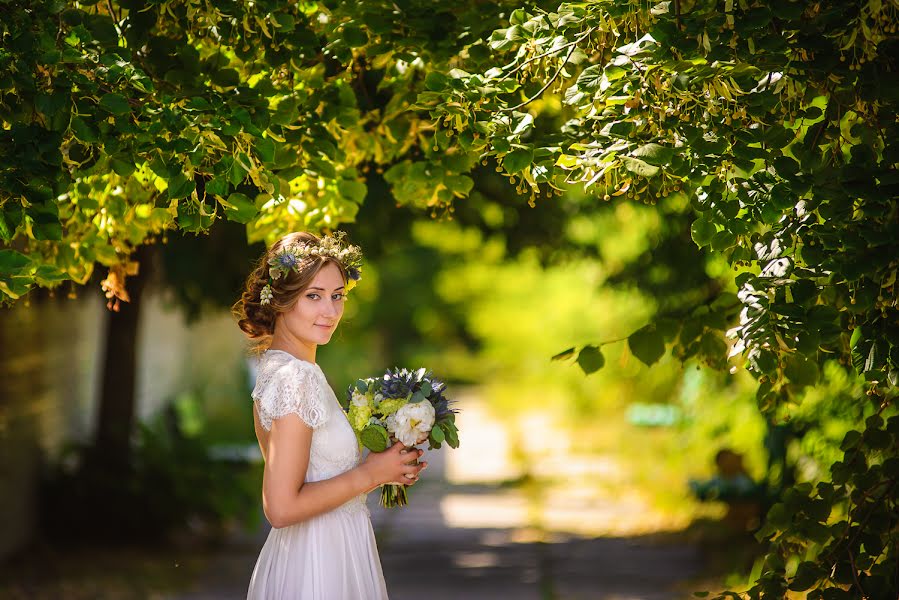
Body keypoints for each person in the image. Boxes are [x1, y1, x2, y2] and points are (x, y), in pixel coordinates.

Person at [232, 231, 426, 599]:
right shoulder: (295, 377)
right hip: (316, 564)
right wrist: (372, 474)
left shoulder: (283, 368)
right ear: (281, 301)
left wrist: (387, 465)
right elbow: (281, 507)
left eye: (337, 296)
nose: (331, 311)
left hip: (331, 548)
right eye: (314, 296)